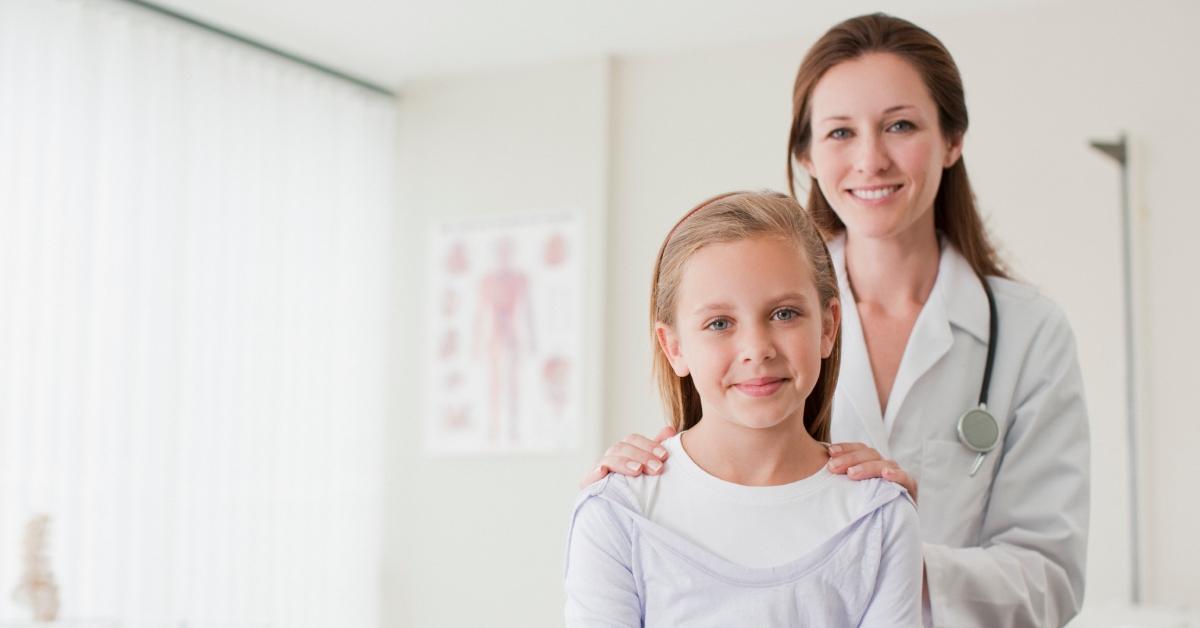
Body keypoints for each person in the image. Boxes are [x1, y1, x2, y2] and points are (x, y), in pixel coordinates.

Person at [580, 13, 1089, 628]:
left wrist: (881, 549)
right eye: (841, 132)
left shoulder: (1028, 331)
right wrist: (641, 478)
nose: (871, 159)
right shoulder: (757, 315)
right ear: (807, 154)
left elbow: (1053, 580)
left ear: (952, 139)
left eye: (900, 125)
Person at [565, 191, 923, 626]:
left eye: (785, 313)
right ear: (674, 347)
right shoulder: (617, 511)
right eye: (719, 323)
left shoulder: (879, 515)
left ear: (827, 326)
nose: (756, 349)